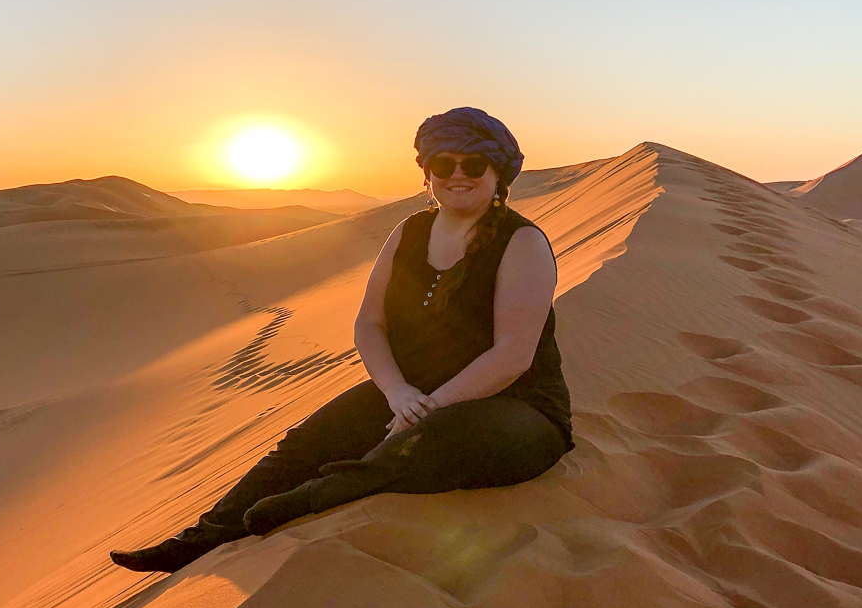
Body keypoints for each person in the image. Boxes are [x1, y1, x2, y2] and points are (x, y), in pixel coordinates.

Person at [110, 106, 574, 574]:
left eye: (474, 165)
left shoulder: (522, 243)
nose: (457, 175)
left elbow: (511, 357)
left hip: (517, 410)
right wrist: (397, 393)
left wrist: (428, 408)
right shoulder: (410, 232)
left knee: (428, 444)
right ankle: (202, 538)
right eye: (443, 164)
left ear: (498, 173)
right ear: (427, 172)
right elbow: (369, 324)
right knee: (307, 441)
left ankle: (312, 499)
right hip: (411, 391)